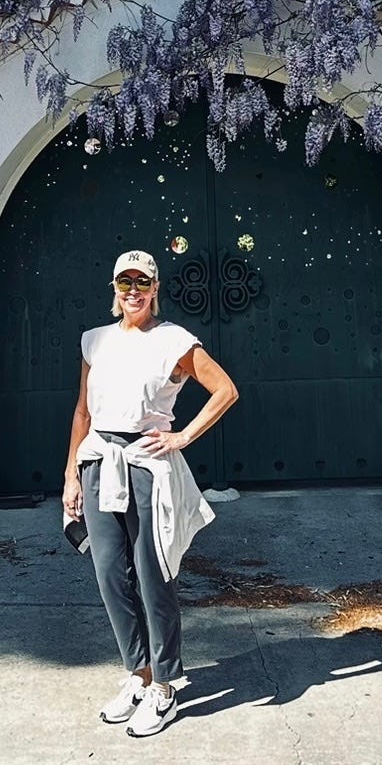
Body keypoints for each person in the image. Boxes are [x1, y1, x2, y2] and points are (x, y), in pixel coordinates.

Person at [61, 249, 239, 738]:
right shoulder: (94, 341)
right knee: (108, 575)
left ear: (156, 287)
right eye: (125, 282)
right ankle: (137, 674)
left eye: (142, 281)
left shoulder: (173, 340)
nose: (133, 290)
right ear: (114, 289)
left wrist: (182, 437)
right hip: (98, 463)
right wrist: (71, 476)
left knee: (151, 575)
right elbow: (82, 412)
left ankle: (164, 685)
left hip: (146, 465)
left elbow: (224, 389)